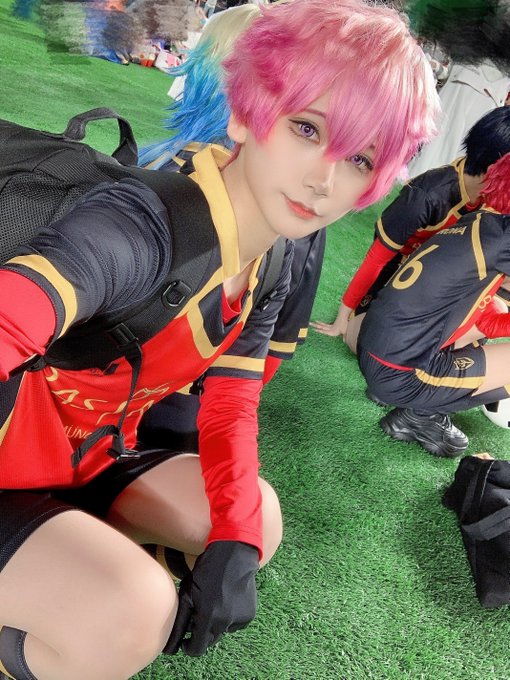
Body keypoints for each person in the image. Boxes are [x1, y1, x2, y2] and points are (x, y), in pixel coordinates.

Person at [0, 1, 439, 678]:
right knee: (130, 610)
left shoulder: (273, 257)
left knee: (258, 518)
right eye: (306, 128)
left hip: (89, 456)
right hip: (10, 456)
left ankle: (70, 568)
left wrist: (234, 538)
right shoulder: (141, 229)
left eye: (358, 157)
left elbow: (231, 401)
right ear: (245, 114)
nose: (324, 179)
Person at [311, 106, 510, 353]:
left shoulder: (496, 200)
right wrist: (342, 319)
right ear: (496, 169)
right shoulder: (425, 195)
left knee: (495, 307)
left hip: (446, 282)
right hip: (401, 277)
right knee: (364, 340)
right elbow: (377, 260)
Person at [357, 151, 510, 459]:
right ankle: (419, 415)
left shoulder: (478, 219)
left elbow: (483, 315)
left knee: (494, 306)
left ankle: (414, 400)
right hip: (401, 373)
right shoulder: (503, 238)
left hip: (374, 348)